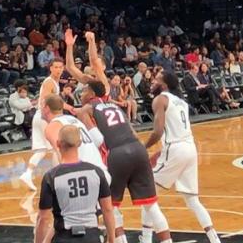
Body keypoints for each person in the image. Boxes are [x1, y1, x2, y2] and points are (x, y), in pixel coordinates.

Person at [64, 30, 171, 243]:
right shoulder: (90, 85)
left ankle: (118, 238)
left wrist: (92, 41)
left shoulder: (100, 85)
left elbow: (93, 60)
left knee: (109, 204)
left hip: (111, 148)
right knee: (149, 204)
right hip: (128, 143)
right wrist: (68, 46)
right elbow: (70, 67)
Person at [144, 69, 221, 243]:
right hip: (189, 148)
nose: (153, 82)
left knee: (147, 193)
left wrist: (143, 148)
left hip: (176, 149)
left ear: (163, 84)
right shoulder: (181, 102)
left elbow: (157, 131)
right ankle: (214, 239)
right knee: (193, 200)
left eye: (156, 79)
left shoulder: (160, 99)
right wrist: (160, 152)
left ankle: (147, 238)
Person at [35, 125, 118, 243]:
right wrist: (111, 239)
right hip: (91, 237)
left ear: (58, 144)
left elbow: (43, 218)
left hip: (64, 237)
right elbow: (108, 209)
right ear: (79, 143)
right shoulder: (96, 172)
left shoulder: (51, 177)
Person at [19, 55, 67, 191]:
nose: (58, 69)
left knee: (42, 149)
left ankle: (27, 174)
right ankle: (58, 176)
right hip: (45, 117)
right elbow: (44, 100)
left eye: (60, 67)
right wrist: (49, 118)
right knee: (56, 147)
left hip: (40, 117)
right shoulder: (49, 82)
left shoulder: (54, 82)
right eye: (56, 67)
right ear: (50, 68)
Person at [44, 95, 104, 169]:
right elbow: (97, 140)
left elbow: (60, 154)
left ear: (46, 108)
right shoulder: (74, 120)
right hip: (99, 168)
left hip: (84, 172)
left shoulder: (54, 125)